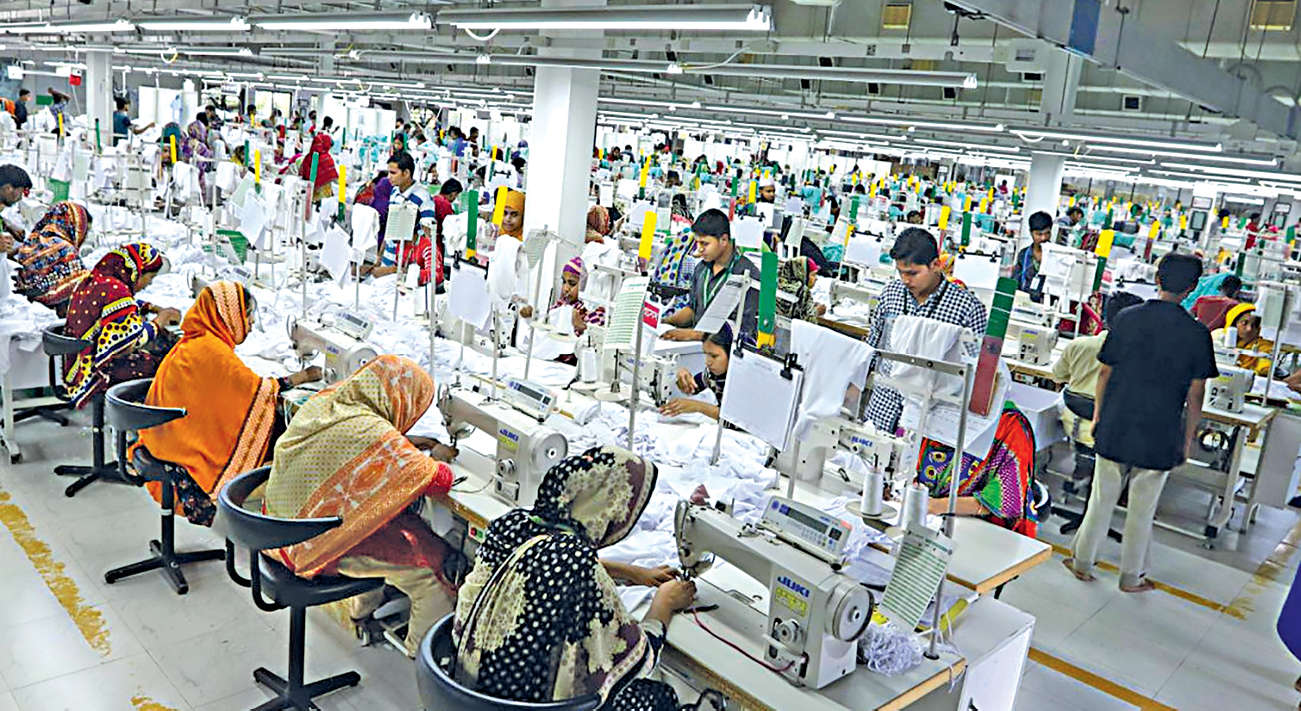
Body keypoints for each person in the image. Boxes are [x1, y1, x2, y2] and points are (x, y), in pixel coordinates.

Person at [454, 445, 696, 708]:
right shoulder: (579, 564)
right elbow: (633, 658)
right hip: (528, 701)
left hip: (470, 681)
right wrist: (664, 604)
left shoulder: (511, 524)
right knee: (656, 696)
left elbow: (539, 562)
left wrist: (629, 571)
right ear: (607, 510)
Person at [264, 355, 459, 657]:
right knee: (432, 568)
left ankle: (362, 615)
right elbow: (439, 480)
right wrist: (439, 456)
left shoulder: (325, 402)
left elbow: (358, 441)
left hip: (273, 528)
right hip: (306, 548)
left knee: (379, 519)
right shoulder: (375, 436)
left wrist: (404, 441)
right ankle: (422, 659)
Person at [1065, 254, 1218, 593]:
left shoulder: (1127, 318)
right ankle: (1131, 578)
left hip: (1117, 421)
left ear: (1157, 279)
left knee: (1101, 498)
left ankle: (1082, 563)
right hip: (1160, 429)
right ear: (1193, 288)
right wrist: (1188, 437)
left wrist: (1099, 416)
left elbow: (1105, 373)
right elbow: (1196, 394)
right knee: (1142, 508)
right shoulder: (1198, 334)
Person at [135, 282, 320, 526]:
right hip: (178, 456)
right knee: (285, 437)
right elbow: (259, 391)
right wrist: (304, 377)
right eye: (247, 315)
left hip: (162, 440)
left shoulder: (196, 341)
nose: (251, 323)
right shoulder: (213, 352)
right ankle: (280, 519)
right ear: (229, 315)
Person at [866, 228, 987, 434]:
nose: (905, 280)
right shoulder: (891, 293)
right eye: (901, 272)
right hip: (883, 408)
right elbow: (873, 344)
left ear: (936, 265)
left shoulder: (967, 308)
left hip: (931, 417)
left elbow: (972, 372)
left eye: (913, 273)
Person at [63, 243, 180, 409]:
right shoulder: (117, 291)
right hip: (95, 373)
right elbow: (128, 345)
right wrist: (160, 320)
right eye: (150, 278)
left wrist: (152, 308)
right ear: (137, 272)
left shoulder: (97, 279)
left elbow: (118, 305)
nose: (149, 284)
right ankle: (147, 417)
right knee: (166, 365)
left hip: (77, 365)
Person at [914, 402, 1040, 535]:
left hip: (985, 531)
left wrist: (936, 506)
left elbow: (1006, 502)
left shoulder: (1010, 426)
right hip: (932, 515)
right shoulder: (934, 406)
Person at [1052, 291, 1143, 448]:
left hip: (1073, 425)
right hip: (1111, 434)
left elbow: (1057, 376)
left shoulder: (1078, 345)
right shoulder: (1140, 358)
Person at [661, 209, 759, 342]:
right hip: (696, 345)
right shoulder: (701, 269)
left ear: (723, 240)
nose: (699, 249)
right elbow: (693, 310)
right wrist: (665, 322)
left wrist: (694, 335)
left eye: (705, 243)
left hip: (724, 350)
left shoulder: (748, 275)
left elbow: (742, 329)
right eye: (697, 242)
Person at [8, 201, 92, 315]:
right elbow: (79, 288)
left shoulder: (32, 241)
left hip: (25, 308)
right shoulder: (64, 249)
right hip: (49, 315)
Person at [371, 151, 439, 287]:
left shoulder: (423, 197)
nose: (389, 177)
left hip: (406, 265)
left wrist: (409, 269)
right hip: (388, 259)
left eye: (393, 173)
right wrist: (379, 256)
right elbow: (390, 226)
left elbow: (428, 236)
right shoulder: (395, 192)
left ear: (406, 173)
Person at [661, 327, 731, 421]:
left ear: (730, 354)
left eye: (714, 356)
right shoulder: (711, 374)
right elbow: (693, 388)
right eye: (706, 354)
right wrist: (681, 377)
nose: (707, 362)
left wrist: (699, 407)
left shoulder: (742, 381)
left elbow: (736, 421)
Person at [1211, 305, 1274, 376]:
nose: (1249, 329)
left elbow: (1265, 370)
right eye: (1244, 323)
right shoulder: (1218, 339)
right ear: (1233, 324)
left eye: (1254, 325)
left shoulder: (1264, 347)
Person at [550, 257, 605, 336]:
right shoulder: (561, 303)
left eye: (572, 283)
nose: (566, 288)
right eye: (564, 282)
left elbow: (594, 331)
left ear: (583, 285)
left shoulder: (590, 311)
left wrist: (581, 326)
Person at [1012, 211, 1053, 301]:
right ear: (1031, 233)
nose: (1043, 238)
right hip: (1024, 301)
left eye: (1047, 233)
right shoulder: (1023, 254)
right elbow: (1015, 282)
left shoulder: (1057, 256)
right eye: (1039, 234)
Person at [298, 117, 338, 203]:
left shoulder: (307, 157)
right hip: (323, 198)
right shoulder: (327, 159)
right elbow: (334, 177)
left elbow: (301, 173)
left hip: (309, 195)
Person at [776, 256, 824, 321]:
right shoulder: (801, 292)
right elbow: (806, 321)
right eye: (813, 275)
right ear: (802, 274)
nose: (816, 278)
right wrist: (817, 311)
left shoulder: (778, 283)